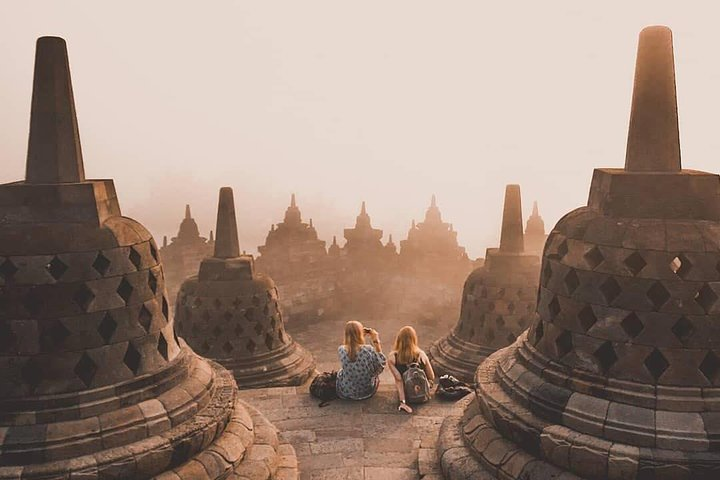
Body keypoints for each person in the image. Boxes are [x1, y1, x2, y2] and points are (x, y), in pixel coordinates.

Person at [388, 326, 435, 413]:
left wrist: (403, 402)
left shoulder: (392, 357)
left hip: (408, 395)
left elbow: (399, 380)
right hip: (423, 393)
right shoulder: (421, 354)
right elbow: (431, 376)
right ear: (414, 339)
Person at [336, 320, 386, 400]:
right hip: (366, 391)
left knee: (341, 371)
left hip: (346, 391)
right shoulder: (368, 349)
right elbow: (380, 365)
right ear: (360, 333)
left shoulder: (341, 349)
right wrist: (376, 341)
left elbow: (353, 348)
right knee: (375, 375)